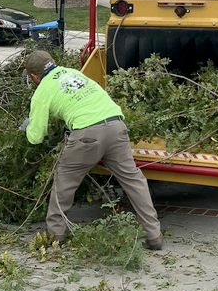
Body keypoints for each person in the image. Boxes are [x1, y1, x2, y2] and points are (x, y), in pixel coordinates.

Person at [22, 50, 164, 249]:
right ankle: (154, 235)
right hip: (116, 126)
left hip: (87, 135)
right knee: (133, 180)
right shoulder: (74, 73)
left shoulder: (41, 92)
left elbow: (36, 137)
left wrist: (27, 127)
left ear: (34, 76)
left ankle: (56, 236)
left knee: (64, 182)